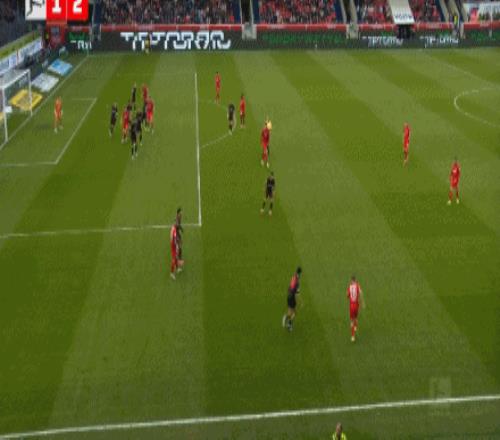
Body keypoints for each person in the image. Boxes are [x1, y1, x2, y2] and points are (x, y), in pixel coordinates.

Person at [283, 267, 302, 332]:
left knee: (290, 311)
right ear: (300, 273)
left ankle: (286, 318)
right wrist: (300, 302)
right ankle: (289, 323)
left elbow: (290, 286)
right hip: (292, 298)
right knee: (294, 313)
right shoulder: (297, 282)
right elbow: (297, 294)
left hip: (288, 295)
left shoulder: (293, 277)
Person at [347, 276, 365, 342]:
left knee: (351, 320)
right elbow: (361, 293)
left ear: (351, 281)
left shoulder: (349, 287)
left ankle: (353, 336)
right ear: (355, 280)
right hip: (357, 305)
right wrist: (362, 303)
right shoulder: (358, 286)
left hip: (351, 306)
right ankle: (355, 327)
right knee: (356, 317)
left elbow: (347, 296)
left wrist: (349, 296)